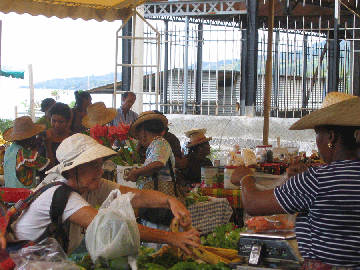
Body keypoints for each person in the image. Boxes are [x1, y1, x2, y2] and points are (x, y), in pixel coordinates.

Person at [6, 133, 200, 255]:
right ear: (71, 170)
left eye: (99, 164)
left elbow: (136, 196)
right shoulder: (61, 194)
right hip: (23, 262)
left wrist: (170, 200)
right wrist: (172, 238)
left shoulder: (91, 185)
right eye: (92, 165)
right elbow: (115, 227)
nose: (99, 171)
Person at [231, 92, 360, 269]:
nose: (317, 141)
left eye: (317, 133)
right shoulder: (317, 178)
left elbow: (253, 204)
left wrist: (245, 177)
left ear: (331, 136)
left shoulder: (316, 179)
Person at [125, 111, 185, 250]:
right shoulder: (154, 145)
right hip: (156, 206)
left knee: (160, 246)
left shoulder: (160, 144)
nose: (140, 139)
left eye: (140, 136)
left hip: (160, 204)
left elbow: (158, 163)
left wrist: (136, 173)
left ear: (144, 133)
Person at [3, 116, 49, 189]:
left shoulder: (10, 150)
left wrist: (34, 148)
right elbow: (49, 166)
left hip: (10, 197)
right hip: (25, 198)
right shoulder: (26, 154)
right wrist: (48, 145)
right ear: (31, 138)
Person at [37, 102, 75, 180]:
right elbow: (47, 168)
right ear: (49, 119)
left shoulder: (73, 138)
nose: (56, 125)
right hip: (45, 182)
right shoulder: (42, 137)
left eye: (61, 122)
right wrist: (48, 147)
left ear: (68, 122)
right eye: (53, 121)